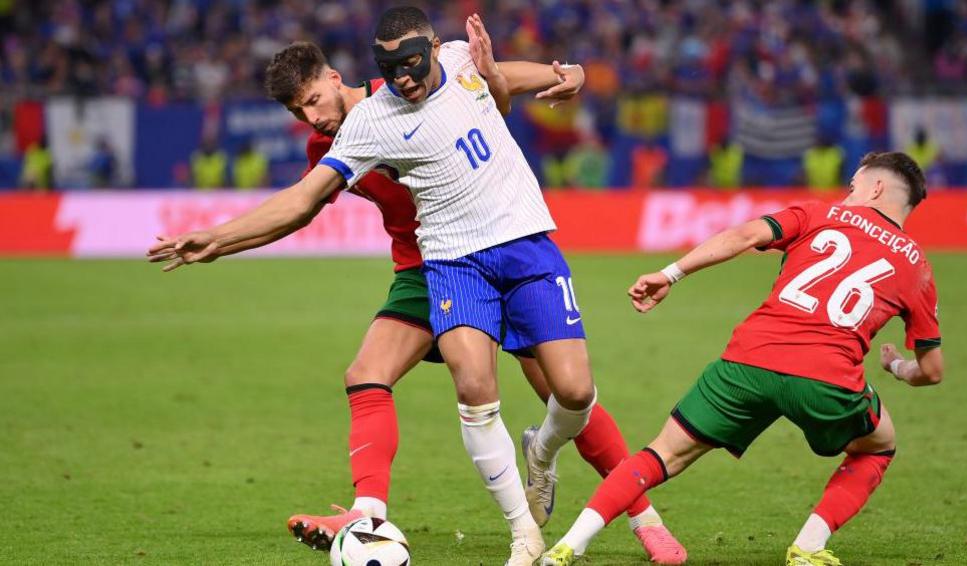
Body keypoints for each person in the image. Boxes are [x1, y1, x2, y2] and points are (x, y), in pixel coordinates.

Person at [148, 12, 685, 566]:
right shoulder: (341, 142)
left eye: (312, 101)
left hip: (502, 244)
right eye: (296, 112)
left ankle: (643, 517)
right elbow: (298, 208)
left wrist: (564, 70)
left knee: (565, 393)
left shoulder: (414, 79)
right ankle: (368, 515)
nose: (311, 119)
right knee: (368, 375)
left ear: (335, 79)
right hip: (431, 269)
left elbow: (495, 76)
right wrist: (218, 241)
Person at [540, 151, 944, 566]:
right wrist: (896, 365)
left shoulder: (819, 214)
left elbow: (744, 236)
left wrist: (671, 274)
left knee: (662, 454)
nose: (848, 194)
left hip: (749, 359)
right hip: (826, 378)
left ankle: (568, 544)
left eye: (854, 186)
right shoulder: (918, 267)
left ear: (876, 188)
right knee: (879, 444)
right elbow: (931, 370)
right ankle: (808, 548)